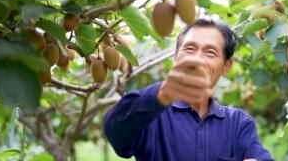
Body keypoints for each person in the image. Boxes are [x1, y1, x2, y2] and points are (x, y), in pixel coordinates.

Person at [103, 19, 273, 161]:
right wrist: (163, 93)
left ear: (226, 67)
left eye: (210, 52)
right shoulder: (152, 117)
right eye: (190, 49)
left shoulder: (238, 123)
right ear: (176, 57)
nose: (197, 58)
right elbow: (114, 130)